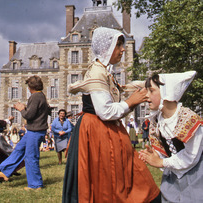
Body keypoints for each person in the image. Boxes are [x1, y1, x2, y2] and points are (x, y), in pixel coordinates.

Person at [62, 27, 160, 202]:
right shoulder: (97, 72)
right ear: (107, 48)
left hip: (102, 129)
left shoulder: (103, 71)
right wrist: (131, 102)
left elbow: (116, 96)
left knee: (120, 173)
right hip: (96, 130)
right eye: (119, 45)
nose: (123, 49)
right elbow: (105, 111)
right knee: (108, 178)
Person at [139, 71, 203, 202]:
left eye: (151, 91)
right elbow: (166, 153)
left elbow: (191, 157)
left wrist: (162, 162)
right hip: (173, 176)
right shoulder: (157, 121)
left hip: (197, 175)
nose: (146, 96)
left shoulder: (187, 118)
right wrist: (157, 156)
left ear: (166, 93)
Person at [0, 75, 51, 191]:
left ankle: (35, 185)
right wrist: (26, 107)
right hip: (34, 131)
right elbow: (39, 112)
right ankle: (5, 171)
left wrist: (21, 109)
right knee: (19, 149)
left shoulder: (35, 97)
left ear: (30, 87)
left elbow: (29, 115)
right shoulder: (41, 96)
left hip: (35, 131)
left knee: (31, 157)